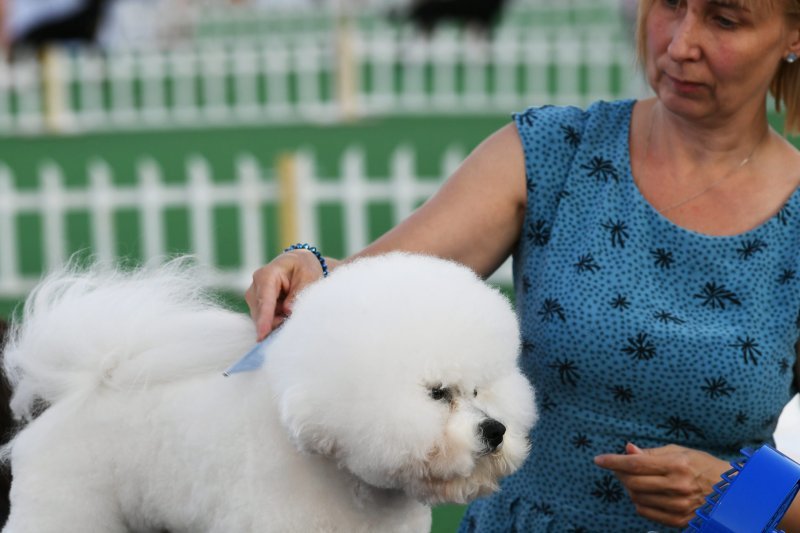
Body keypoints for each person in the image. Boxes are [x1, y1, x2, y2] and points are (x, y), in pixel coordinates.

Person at [247, 0, 800, 530]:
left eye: (725, 20)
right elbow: (371, 287)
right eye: (669, 4)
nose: (681, 44)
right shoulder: (554, 150)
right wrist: (311, 271)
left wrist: (743, 496)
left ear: (793, 35)